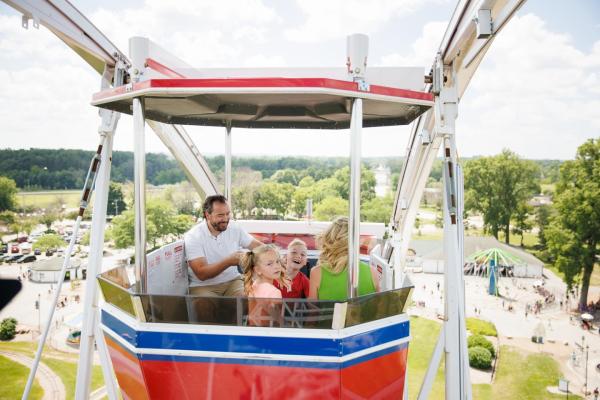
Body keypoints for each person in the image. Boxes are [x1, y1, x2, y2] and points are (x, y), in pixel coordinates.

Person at [185, 195, 262, 297]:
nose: (225, 219)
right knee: (204, 304)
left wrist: (276, 255)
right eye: (220, 215)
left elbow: (256, 246)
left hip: (233, 281)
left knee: (245, 298)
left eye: (227, 214)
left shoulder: (234, 227)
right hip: (203, 286)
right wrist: (229, 261)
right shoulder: (193, 236)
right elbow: (201, 274)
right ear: (208, 215)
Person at [308, 217, 379, 301]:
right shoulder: (372, 272)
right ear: (355, 241)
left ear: (330, 240)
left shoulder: (316, 273)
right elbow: (378, 305)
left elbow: (312, 309)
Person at [241, 244, 288, 326]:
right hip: (268, 335)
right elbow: (277, 322)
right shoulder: (274, 292)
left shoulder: (254, 285)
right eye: (269, 264)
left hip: (254, 333)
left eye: (277, 261)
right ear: (258, 270)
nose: (276, 266)